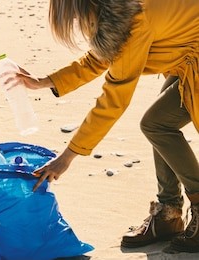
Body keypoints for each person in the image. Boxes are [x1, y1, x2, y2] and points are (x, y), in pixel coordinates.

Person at [11, 0, 199, 253]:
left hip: (192, 57)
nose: (79, 24)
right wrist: (46, 81)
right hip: (186, 55)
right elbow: (102, 56)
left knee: (156, 124)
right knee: (161, 123)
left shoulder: (135, 20)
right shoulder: (120, 10)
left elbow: (114, 98)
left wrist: (68, 156)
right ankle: (168, 215)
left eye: (77, 18)